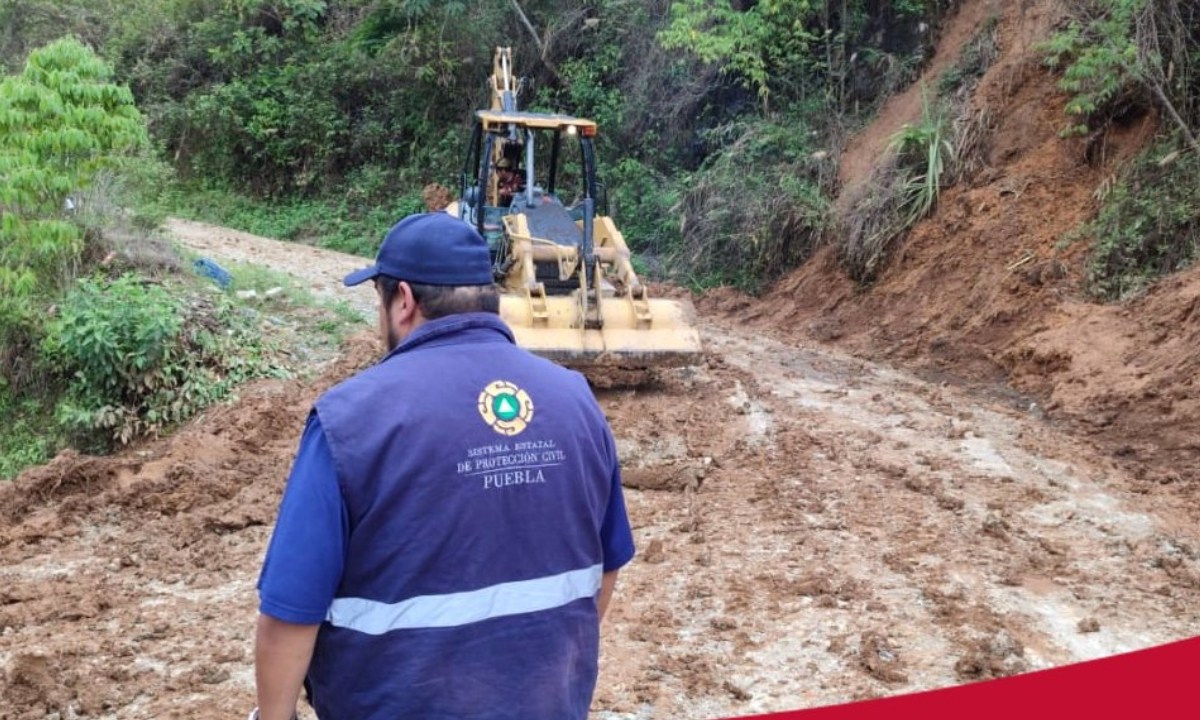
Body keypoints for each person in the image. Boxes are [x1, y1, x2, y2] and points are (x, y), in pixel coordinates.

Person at [252, 212, 635, 720]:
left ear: (403, 301)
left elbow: (289, 613)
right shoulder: (575, 399)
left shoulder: (349, 419)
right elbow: (604, 566)